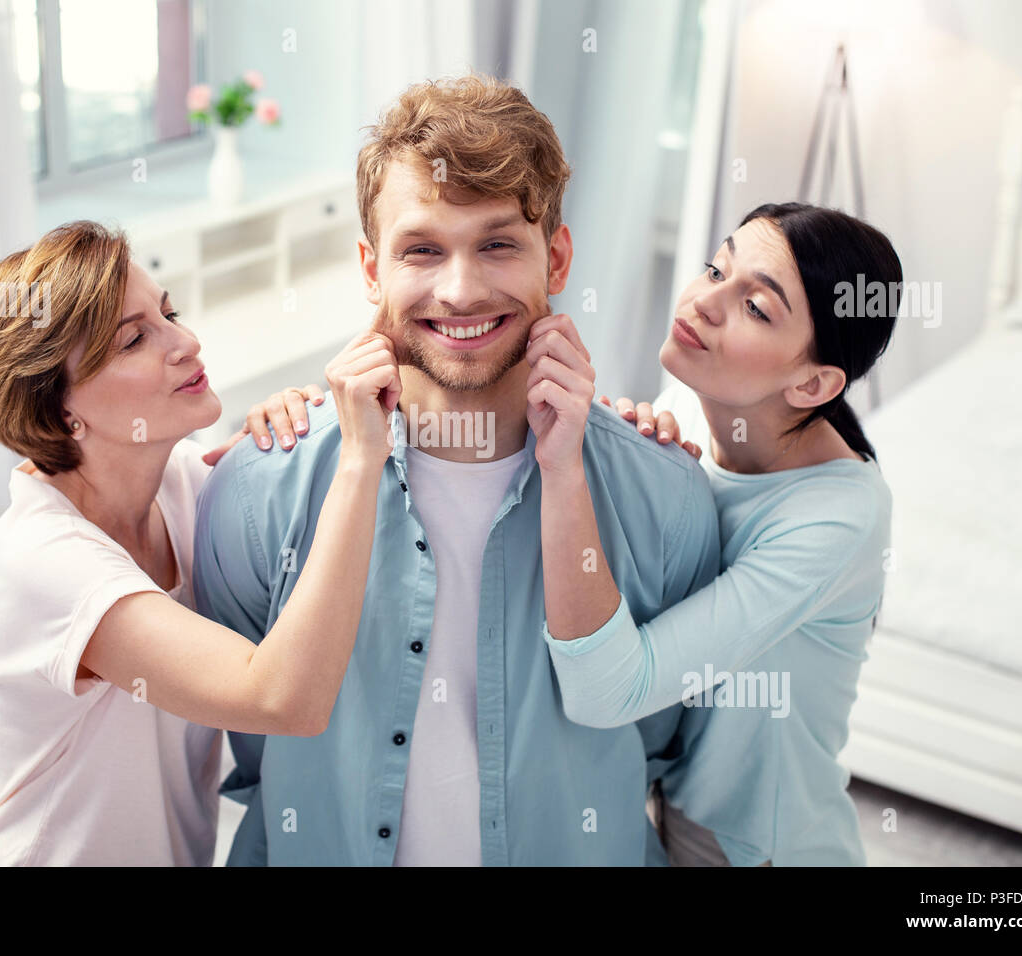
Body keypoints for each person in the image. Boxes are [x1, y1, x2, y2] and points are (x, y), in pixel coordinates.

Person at [192, 73, 721, 866]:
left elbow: (655, 744)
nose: (461, 289)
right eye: (422, 250)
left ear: (558, 256)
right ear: (372, 271)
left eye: (499, 243)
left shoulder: (667, 496)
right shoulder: (256, 489)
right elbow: (256, 736)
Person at [0, 220, 398, 865]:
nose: (186, 342)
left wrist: (290, 442)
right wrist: (359, 458)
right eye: (134, 340)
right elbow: (279, 697)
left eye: (170, 314)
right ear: (56, 410)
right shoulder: (40, 561)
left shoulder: (186, 485)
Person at [539, 202, 899, 865]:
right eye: (715, 268)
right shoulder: (688, 410)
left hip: (759, 848)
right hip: (666, 810)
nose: (705, 301)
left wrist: (569, 467)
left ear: (813, 382)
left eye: (756, 308)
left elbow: (606, 689)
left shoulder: (840, 516)